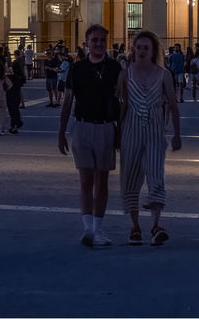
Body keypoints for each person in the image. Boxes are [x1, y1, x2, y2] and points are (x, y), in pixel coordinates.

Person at [60, 25, 123, 248]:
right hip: (83, 127)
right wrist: (61, 133)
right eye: (94, 40)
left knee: (102, 182)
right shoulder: (77, 69)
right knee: (86, 180)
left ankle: (98, 230)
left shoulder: (115, 68)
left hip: (106, 127)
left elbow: (122, 101)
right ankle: (87, 229)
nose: (98, 43)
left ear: (106, 43)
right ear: (86, 42)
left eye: (102, 40)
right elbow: (67, 102)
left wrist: (120, 133)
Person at [119, 31, 181, 246]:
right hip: (131, 131)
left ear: (153, 50)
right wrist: (118, 133)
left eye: (147, 47)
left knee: (156, 178)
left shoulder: (164, 75)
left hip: (155, 132)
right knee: (132, 180)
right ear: (134, 50)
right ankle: (135, 228)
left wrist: (176, 134)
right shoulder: (126, 74)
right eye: (139, 47)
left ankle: (156, 225)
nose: (143, 51)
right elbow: (123, 104)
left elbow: (172, 104)